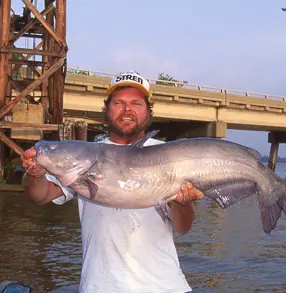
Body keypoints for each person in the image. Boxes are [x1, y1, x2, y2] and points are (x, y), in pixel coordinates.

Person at [21, 70, 204, 293]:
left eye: (136, 103)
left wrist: (183, 201)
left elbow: (183, 227)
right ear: (106, 110)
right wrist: (34, 173)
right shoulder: (83, 157)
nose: (127, 109)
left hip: (166, 287)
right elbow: (40, 196)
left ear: (148, 111)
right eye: (119, 103)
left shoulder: (172, 155)